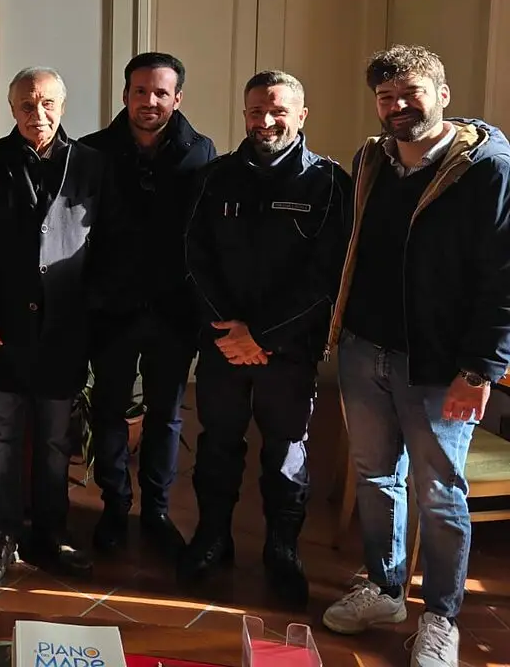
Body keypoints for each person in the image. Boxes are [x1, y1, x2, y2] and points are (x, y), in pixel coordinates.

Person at [321, 46, 510, 667]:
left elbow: (503, 278)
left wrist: (480, 368)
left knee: (440, 492)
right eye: (386, 97)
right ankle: (384, 589)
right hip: (364, 349)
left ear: (443, 94)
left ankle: (442, 618)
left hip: (438, 365)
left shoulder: (487, 168)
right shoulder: (372, 159)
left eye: (411, 93)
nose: (398, 106)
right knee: (376, 476)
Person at [180, 70, 351, 607]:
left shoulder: (329, 183)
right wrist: (231, 331)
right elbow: (193, 259)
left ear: (302, 115)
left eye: (278, 110)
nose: (266, 120)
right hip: (222, 345)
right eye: (256, 110)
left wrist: (263, 335)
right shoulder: (214, 178)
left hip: (289, 349)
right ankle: (212, 538)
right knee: (217, 445)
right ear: (245, 114)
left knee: (285, 452)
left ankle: (282, 549)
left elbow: (328, 277)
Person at [0, 67, 112, 589]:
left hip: (63, 332)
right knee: (0, 439)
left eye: (47, 103)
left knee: (53, 442)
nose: (37, 113)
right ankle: (3, 535)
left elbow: (106, 246)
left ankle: (51, 533)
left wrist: (89, 315)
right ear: (12, 109)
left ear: (63, 106)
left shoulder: (91, 164)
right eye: (27, 105)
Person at [79, 52, 216, 558]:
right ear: (126, 95)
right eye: (141, 91)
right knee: (109, 411)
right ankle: (115, 505)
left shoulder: (201, 152)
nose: (150, 101)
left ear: (177, 98)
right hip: (111, 309)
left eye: (161, 92)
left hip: (172, 311)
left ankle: (156, 510)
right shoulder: (93, 150)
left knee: (167, 414)